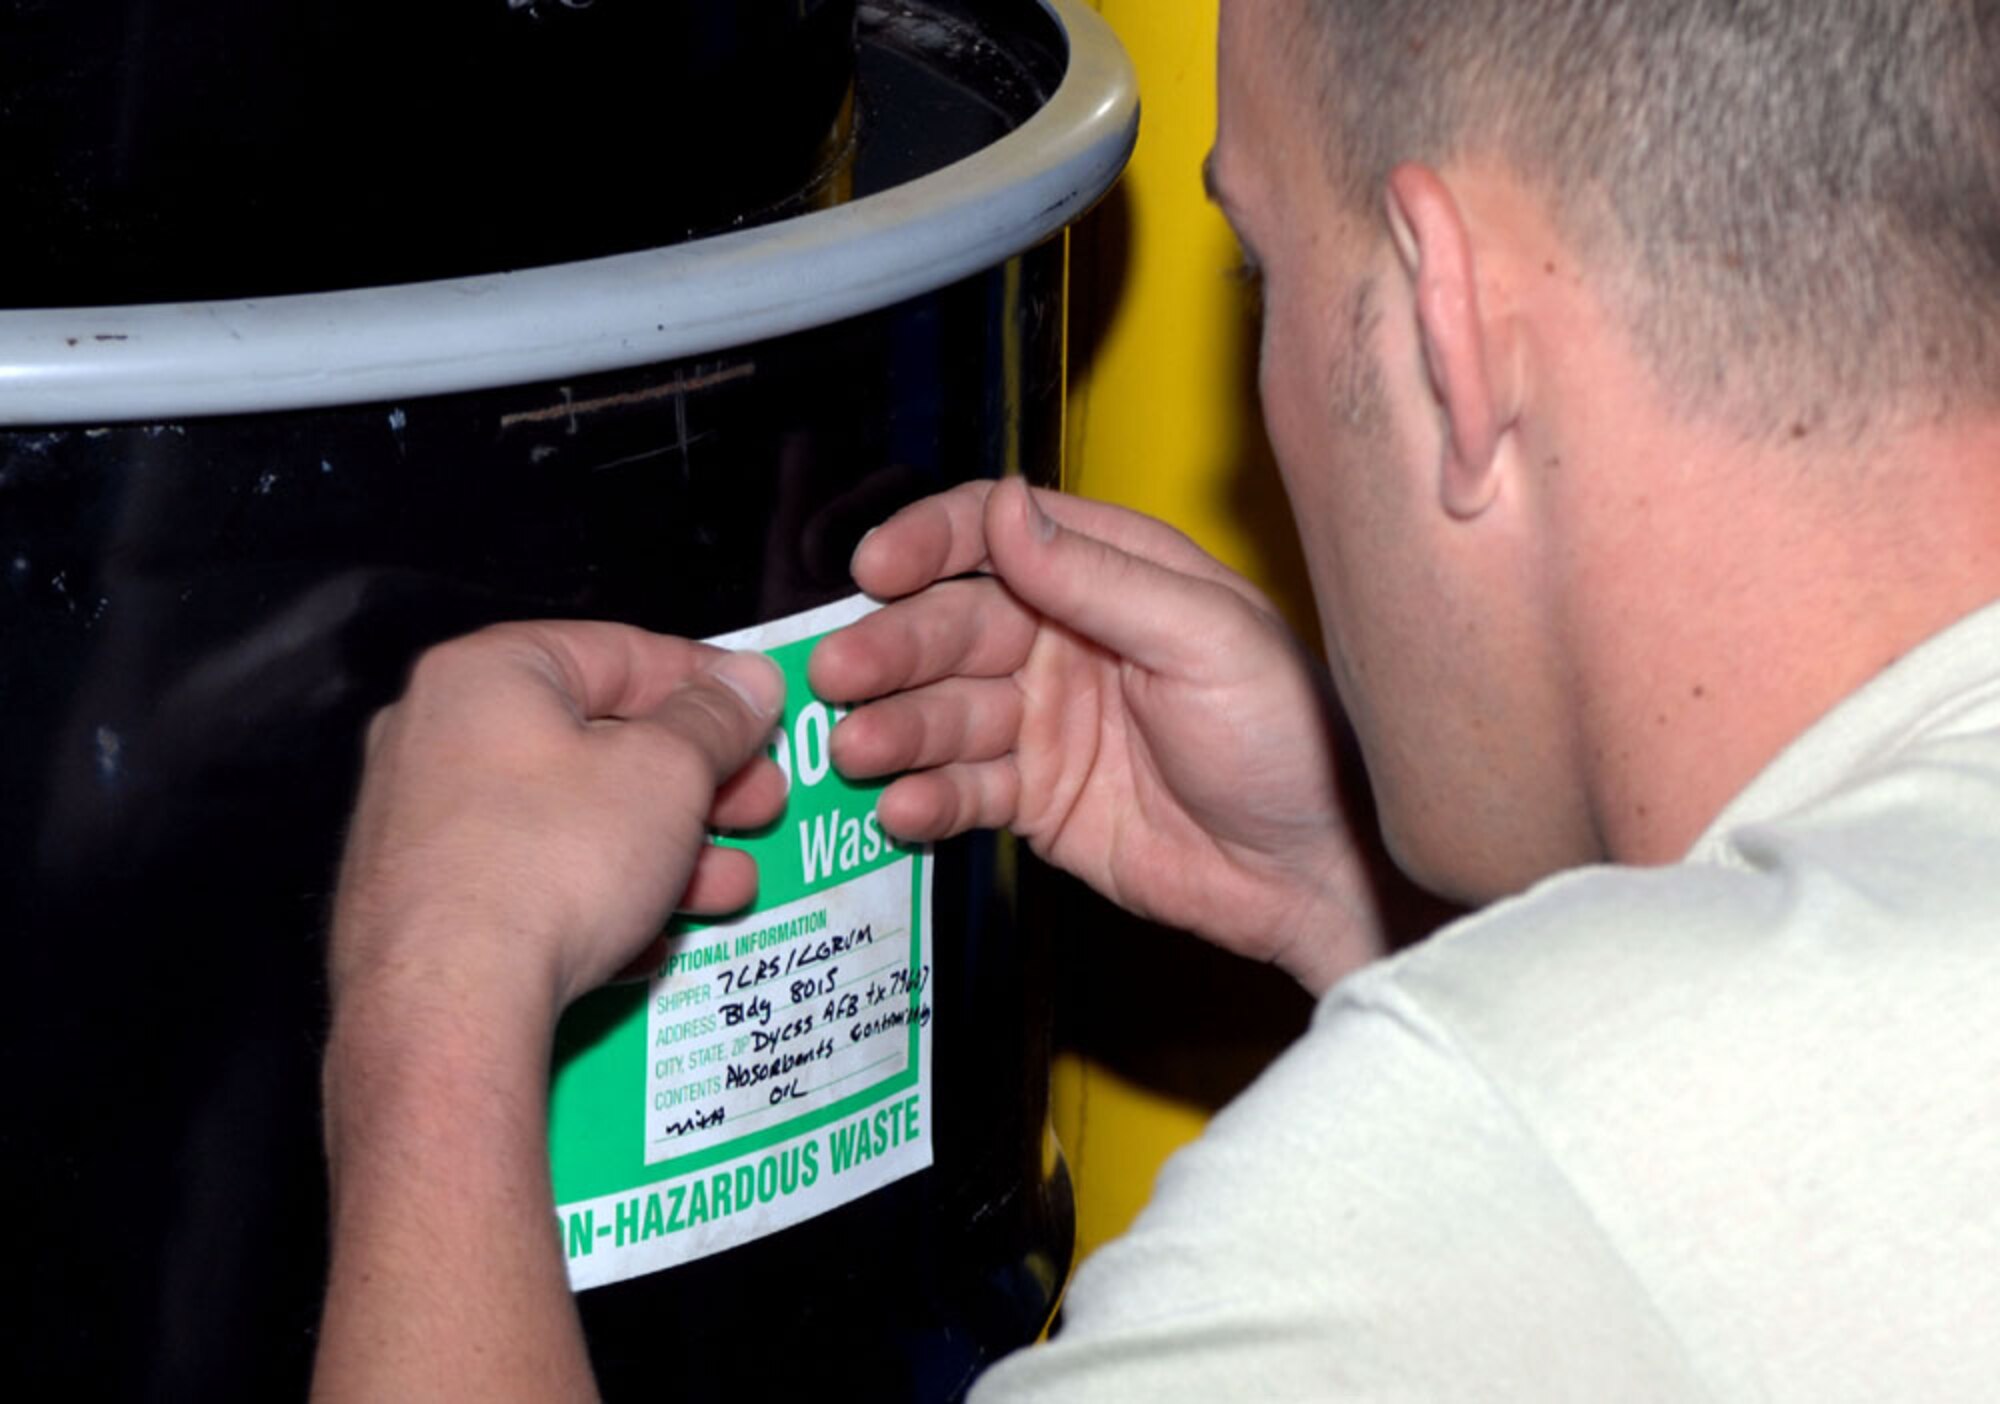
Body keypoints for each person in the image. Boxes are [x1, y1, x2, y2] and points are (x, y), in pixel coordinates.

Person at [314, 0, 2000, 1399]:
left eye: (1258, 270)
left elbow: (1592, 1189)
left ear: (1448, 331)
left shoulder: (1488, 1176)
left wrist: (436, 998)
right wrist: (1358, 900)